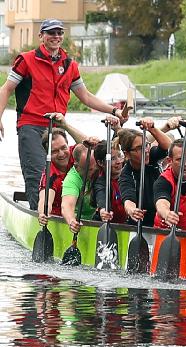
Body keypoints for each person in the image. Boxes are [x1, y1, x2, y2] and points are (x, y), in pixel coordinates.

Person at [0, 19, 126, 210]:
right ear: (41, 36)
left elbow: (86, 96)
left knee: (64, 170)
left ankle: (63, 209)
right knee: (38, 172)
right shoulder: (26, 60)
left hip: (58, 126)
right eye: (51, 33)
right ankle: (39, 214)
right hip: (31, 126)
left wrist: (114, 110)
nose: (56, 37)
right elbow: (6, 89)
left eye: (59, 33)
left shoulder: (69, 65)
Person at [37, 113, 92, 226]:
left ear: (68, 145)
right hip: (60, 219)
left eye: (63, 148)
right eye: (55, 151)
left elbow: (91, 145)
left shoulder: (75, 154)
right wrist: (43, 214)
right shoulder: (50, 174)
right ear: (47, 154)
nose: (61, 154)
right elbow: (45, 200)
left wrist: (65, 126)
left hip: (82, 214)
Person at [117, 117, 173, 227]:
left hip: (161, 219)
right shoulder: (126, 175)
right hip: (141, 224)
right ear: (127, 154)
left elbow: (168, 146)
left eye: (146, 145)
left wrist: (152, 129)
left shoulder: (151, 156)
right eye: (139, 148)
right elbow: (128, 200)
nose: (146, 151)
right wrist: (132, 210)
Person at [61, 143, 98, 234]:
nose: (93, 172)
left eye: (95, 167)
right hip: (82, 222)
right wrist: (71, 221)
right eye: (88, 170)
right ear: (77, 166)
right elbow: (66, 206)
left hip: (101, 219)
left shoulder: (100, 167)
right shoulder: (71, 179)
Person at [91, 136, 126, 224]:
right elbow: (101, 196)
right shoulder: (100, 182)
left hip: (127, 223)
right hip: (107, 224)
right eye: (112, 159)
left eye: (119, 156)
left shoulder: (128, 174)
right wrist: (103, 210)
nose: (118, 162)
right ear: (100, 163)